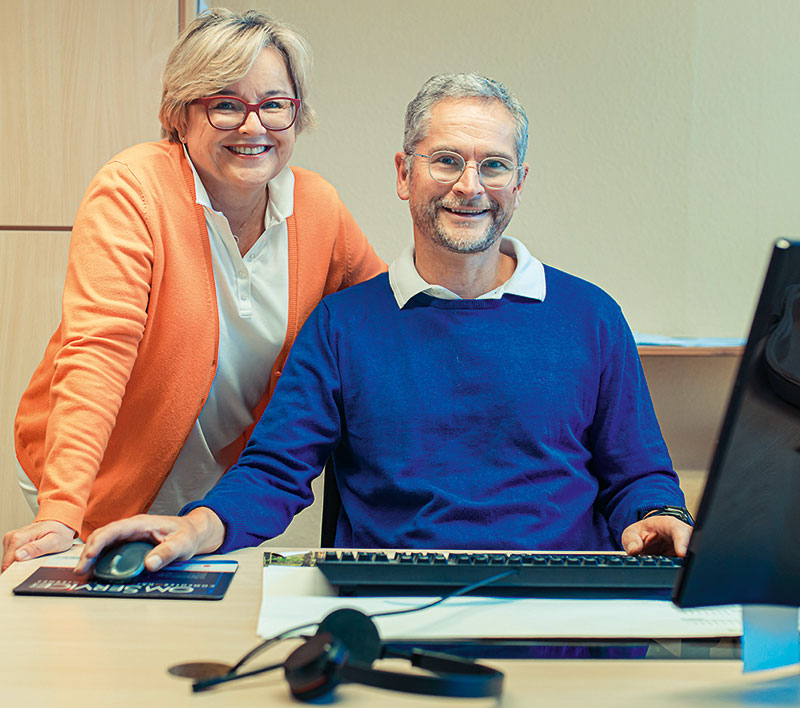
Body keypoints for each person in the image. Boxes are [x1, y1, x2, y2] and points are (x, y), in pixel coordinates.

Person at [73, 72, 692, 576]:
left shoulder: (591, 316)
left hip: (564, 622)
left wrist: (661, 514)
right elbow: (274, 469)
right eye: (446, 160)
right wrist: (197, 525)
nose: (470, 187)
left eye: (494, 166)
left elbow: (637, 475)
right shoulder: (344, 326)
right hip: (389, 615)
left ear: (519, 183)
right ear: (404, 174)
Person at [1, 9, 385, 572]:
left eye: (274, 104)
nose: (253, 127)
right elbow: (98, 351)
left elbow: (383, 320)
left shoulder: (318, 207)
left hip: (208, 497)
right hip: (91, 478)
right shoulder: (134, 190)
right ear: (178, 114)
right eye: (226, 104)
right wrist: (60, 510)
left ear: (297, 117)